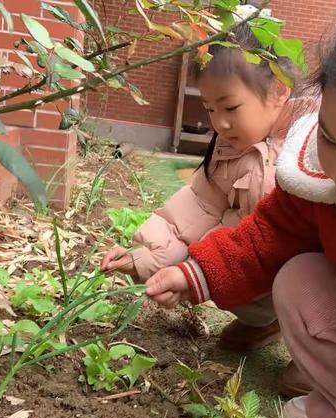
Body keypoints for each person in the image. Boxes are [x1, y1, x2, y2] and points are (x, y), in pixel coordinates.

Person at [145, 0, 336, 418]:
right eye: (329, 138)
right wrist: (197, 273)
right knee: (298, 277)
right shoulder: (317, 180)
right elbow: (267, 235)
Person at [101, 19, 316, 355]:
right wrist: (142, 257)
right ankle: (267, 321)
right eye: (211, 109)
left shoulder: (316, 145)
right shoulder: (228, 149)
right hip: (251, 263)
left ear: (279, 91)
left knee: (308, 277)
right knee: (204, 259)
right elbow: (195, 208)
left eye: (231, 107)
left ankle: (314, 355)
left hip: (308, 274)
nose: (219, 123)